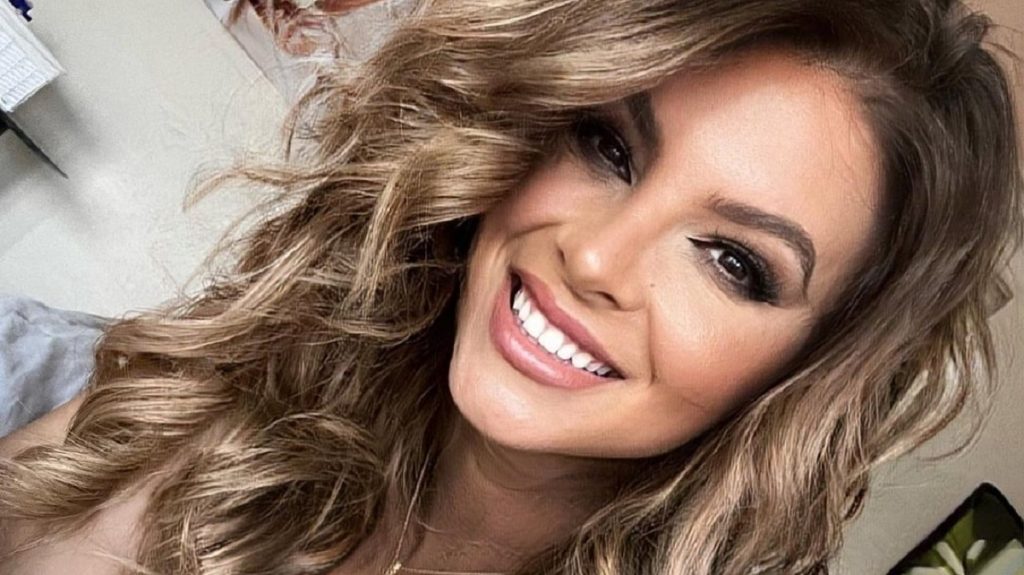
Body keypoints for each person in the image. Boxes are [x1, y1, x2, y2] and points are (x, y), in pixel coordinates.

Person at [1, 0, 1021, 573]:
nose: (596, 257)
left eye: (733, 260)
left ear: (812, 367)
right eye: (608, 146)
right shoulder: (215, 398)